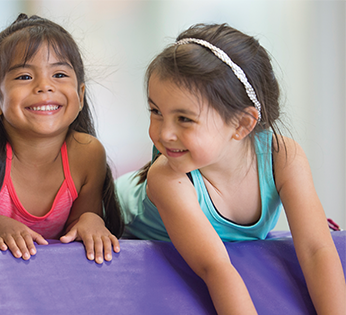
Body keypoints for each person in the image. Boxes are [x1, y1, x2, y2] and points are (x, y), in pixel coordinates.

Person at [116, 23, 346, 314]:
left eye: (184, 119)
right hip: (115, 210)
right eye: (156, 111)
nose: (164, 134)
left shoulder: (283, 157)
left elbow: (316, 250)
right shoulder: (167, 178)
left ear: (241, 124)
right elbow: (216, 269)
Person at [0, 14, 124, 264]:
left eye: (59, 75)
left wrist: (92, 220)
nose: (45, 86)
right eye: (24, 76)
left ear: (80, 94)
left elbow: (80, 223)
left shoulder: (87, 153)